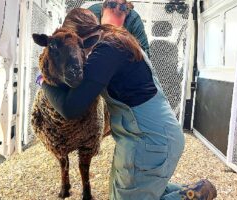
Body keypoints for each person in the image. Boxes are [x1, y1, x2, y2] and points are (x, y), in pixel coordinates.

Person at [38, 8, 217, 200]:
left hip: (150, 139)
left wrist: (42, 79)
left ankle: (195, 196)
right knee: (126, 192)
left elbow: (70, 108)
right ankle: (194, 189)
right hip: (144, 136)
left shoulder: (105, 52)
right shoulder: (114, 38)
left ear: (78, 37)